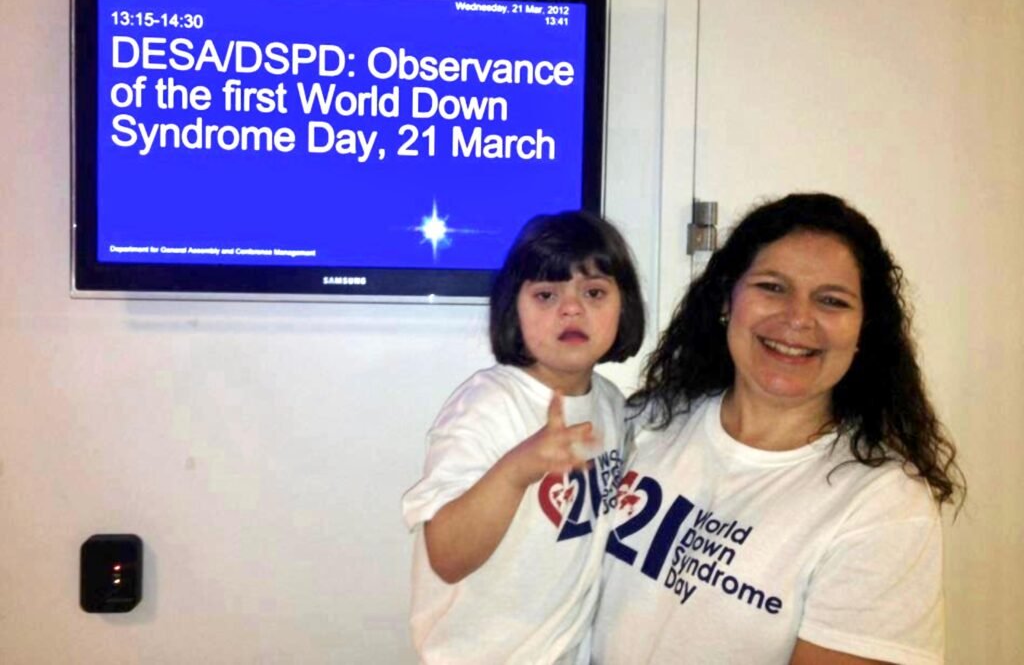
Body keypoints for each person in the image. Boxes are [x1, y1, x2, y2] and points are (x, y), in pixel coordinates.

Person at [591, 193, 964, 665]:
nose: (797, 319)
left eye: (831, 300)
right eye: (772, 287)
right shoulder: (647, 421)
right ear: (728, 299)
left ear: (864, 330)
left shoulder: (884, 504)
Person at [402, 210, 646, 664]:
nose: (571, 308)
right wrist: (519, 469)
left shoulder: (611, 405)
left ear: (624, 306)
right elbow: (448, 556)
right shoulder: (489, 404)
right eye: (546, 294)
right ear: (513, 307)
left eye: (593, 292)